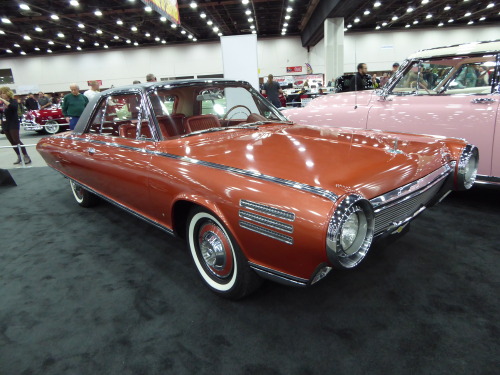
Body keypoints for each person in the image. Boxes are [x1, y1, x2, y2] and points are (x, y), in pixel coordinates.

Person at [0, 87, 31, 165]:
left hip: (13, 123)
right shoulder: (1, 103)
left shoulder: (13, 101)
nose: (1, 94)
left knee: (16, 140)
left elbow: (13, 107)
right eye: (1, 93)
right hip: (5, 123)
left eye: (3, 93)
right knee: (11, 141)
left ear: (7, 93)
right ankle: (19, 155)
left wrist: (3, 100)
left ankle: (26, 156)